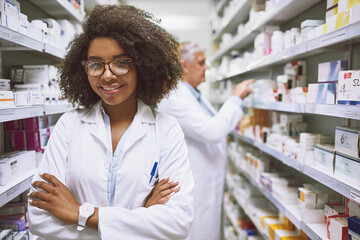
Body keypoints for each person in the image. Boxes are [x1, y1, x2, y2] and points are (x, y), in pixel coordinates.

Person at [28, 5, 194, 240]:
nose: (107, 75)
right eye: (96, 64)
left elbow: (177, 223)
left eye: (120, 62)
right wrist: (141, 218)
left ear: (142, 66)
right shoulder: (69, 125)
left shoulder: (166, 129)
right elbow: (39, 217)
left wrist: (79, 213)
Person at [158, 41, 254, 240]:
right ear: (184, 65)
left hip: (206, 179)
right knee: (198, 232)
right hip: (196, 183)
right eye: (201, 63)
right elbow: (212, 131)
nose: (207, 67)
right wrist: (235, 98)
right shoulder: (176, 97)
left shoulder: (194, 94)